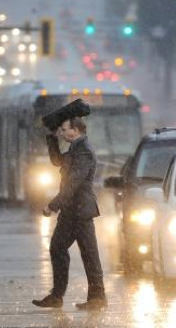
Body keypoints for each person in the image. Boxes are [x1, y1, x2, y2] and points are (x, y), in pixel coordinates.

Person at [32, 117, 107, 310]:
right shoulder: (75, 148)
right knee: (65, 249)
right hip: (72, 210)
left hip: (80, 210)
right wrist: (51, 138)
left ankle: (94, 298)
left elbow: (72, 184)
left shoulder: (84, 152)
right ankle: (62, 296)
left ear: (75, 130)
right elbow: (57, 161)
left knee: (85, 253)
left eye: (65, 129)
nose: (63, 132)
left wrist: (52, 205)